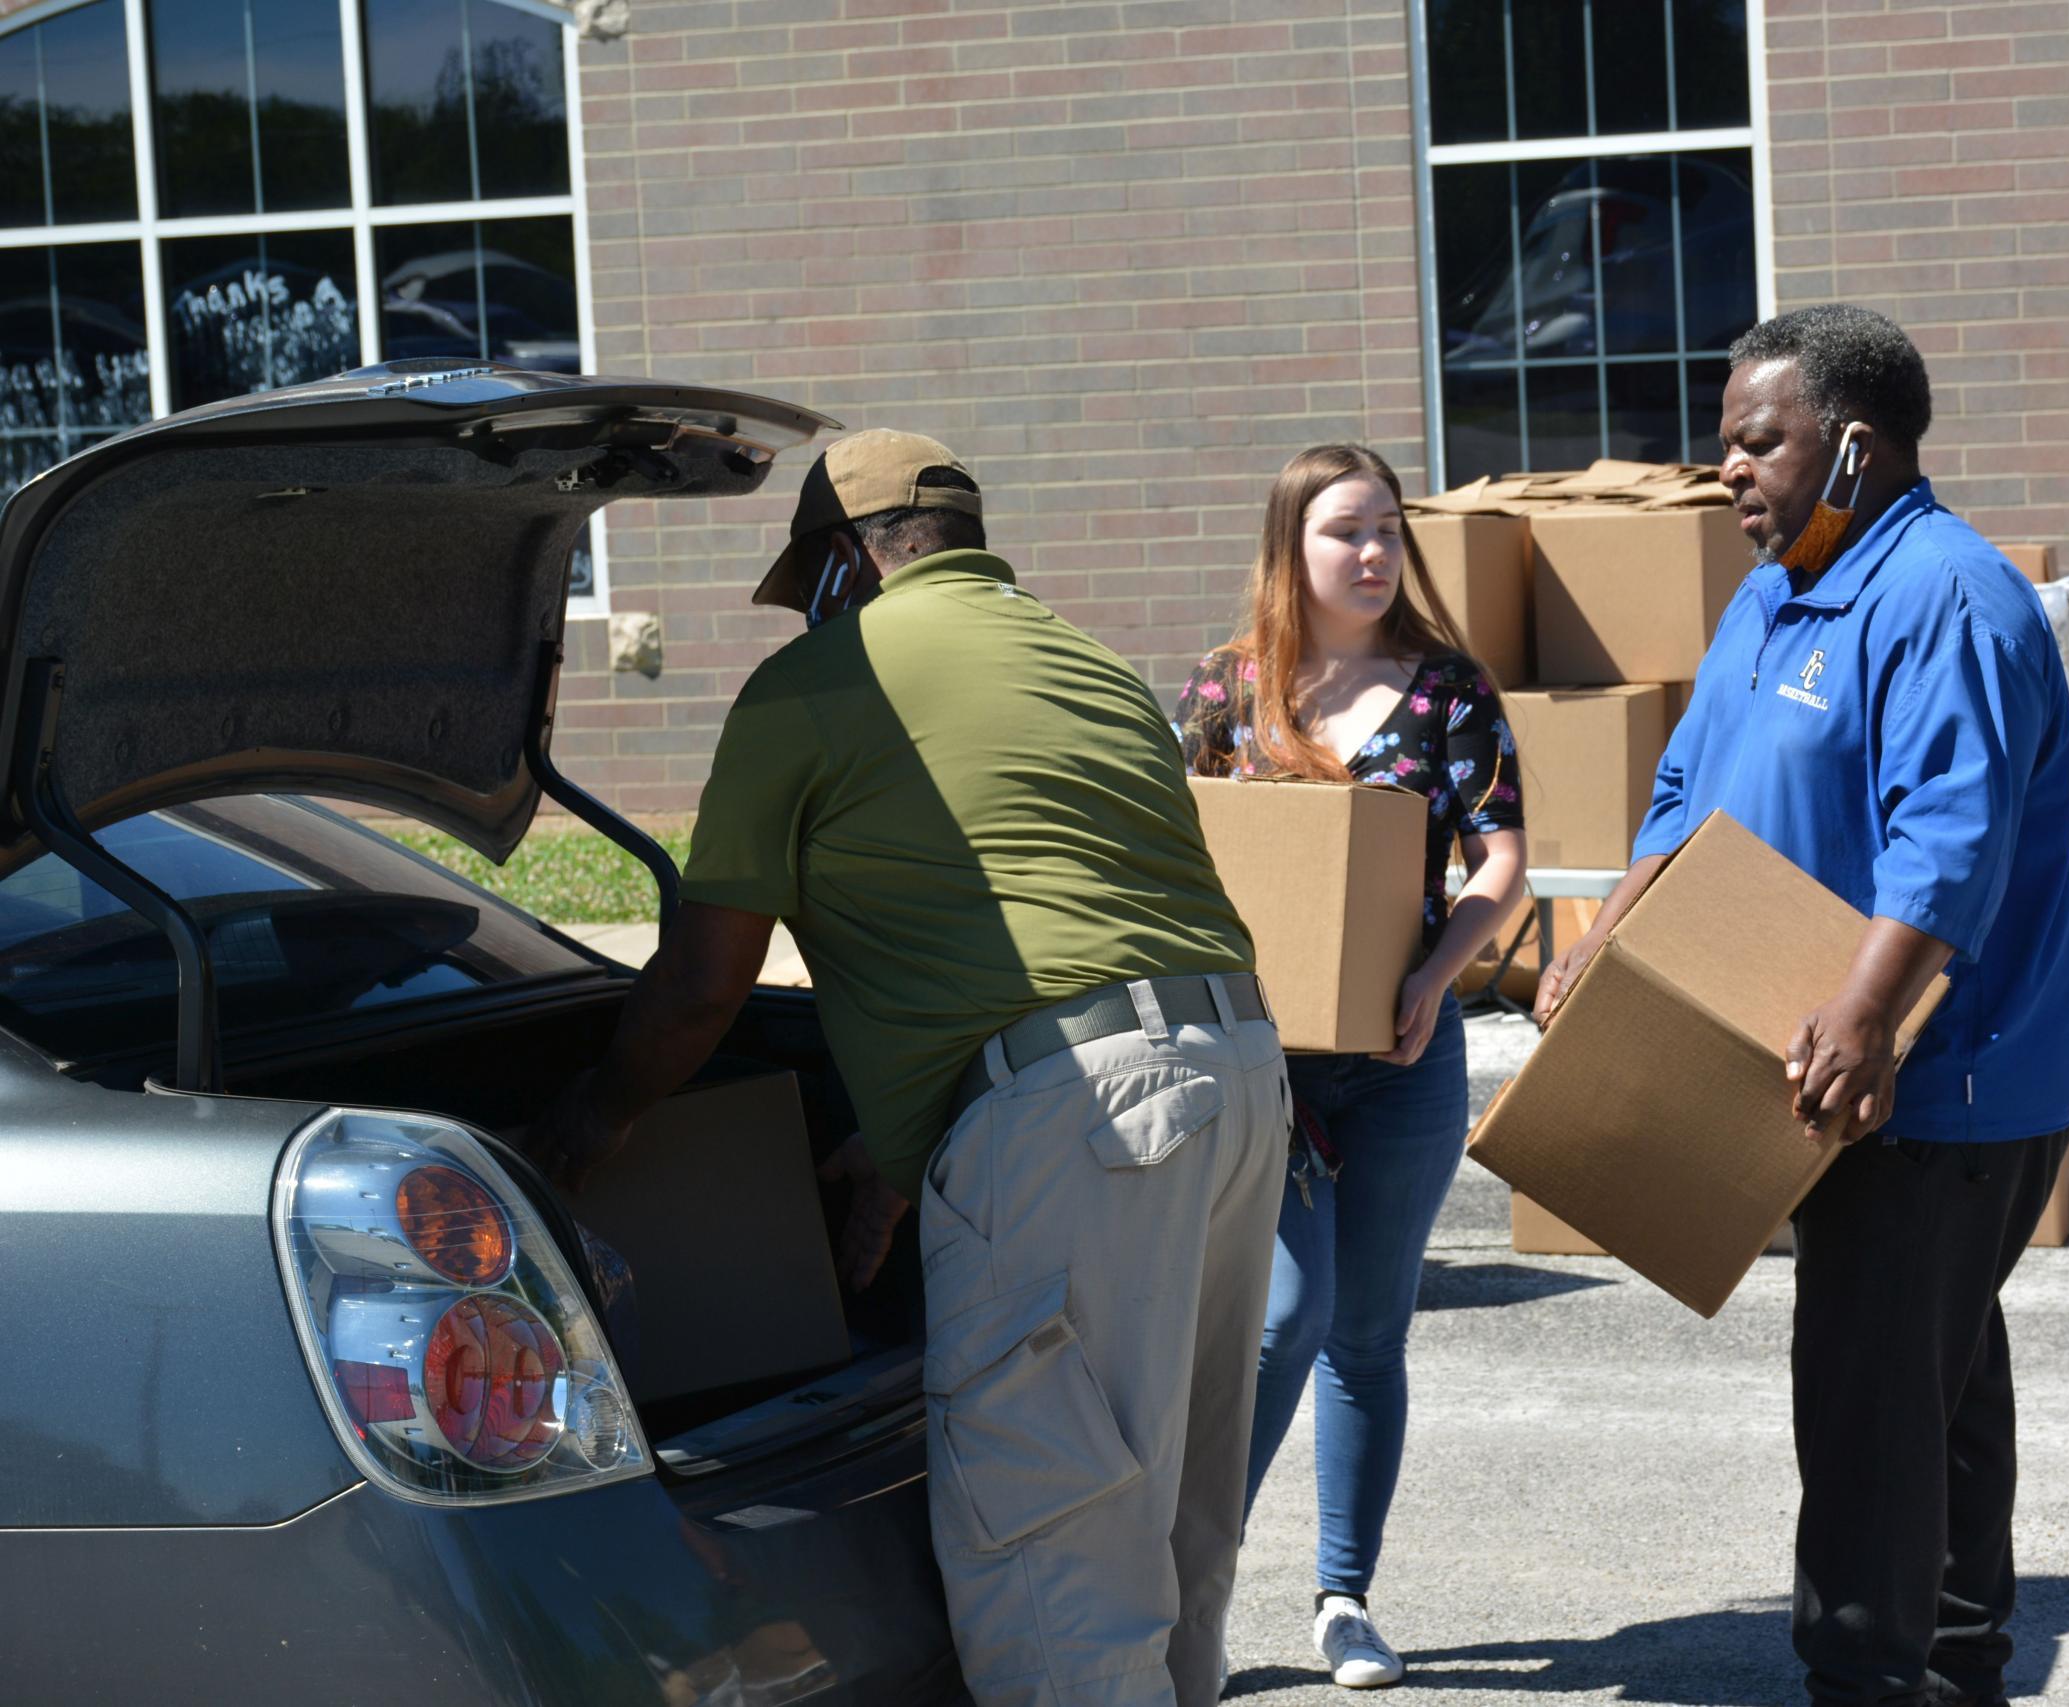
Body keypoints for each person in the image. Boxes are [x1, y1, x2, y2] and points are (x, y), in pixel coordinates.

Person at [531, 429, 1291, 1707]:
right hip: (1239, 1087)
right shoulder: (1091, 664)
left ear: (844, 565)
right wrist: (906, 1156)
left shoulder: (821, 686)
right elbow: (1037, 917)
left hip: (1080, 1121)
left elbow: (702, 986)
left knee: (1060, 1581)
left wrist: (581, 1128)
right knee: (1164, 1539)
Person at [1533, 306, 2069, 1707]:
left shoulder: (1948, 596)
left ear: (1852, 442)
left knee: (1866, 1398)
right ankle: (1956, 1654)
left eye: (1756, 440)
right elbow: (1685, 790)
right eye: (1725, 442)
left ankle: (1863, 1665)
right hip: (1839, 1066)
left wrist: (1861, 1015)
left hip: (1941, 1077)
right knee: (1934, 1374)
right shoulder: (1775, 591)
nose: (1727, 468)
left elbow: (1948, 844)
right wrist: (1607, 931)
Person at [1175, 444, 1527, 1690]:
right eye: (1345, 533)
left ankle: (1342, 1598)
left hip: (1402, 1056)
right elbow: (1181, 857)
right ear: (1291, 547)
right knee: (1281, 1321)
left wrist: (1436, 977)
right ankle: (1188, 1595)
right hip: (1262, 1067)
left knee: (1367, 1337)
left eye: (1387, 529)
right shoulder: (1227, 695)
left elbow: (1498, 864)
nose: (1374, 554)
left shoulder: (1448, 690)